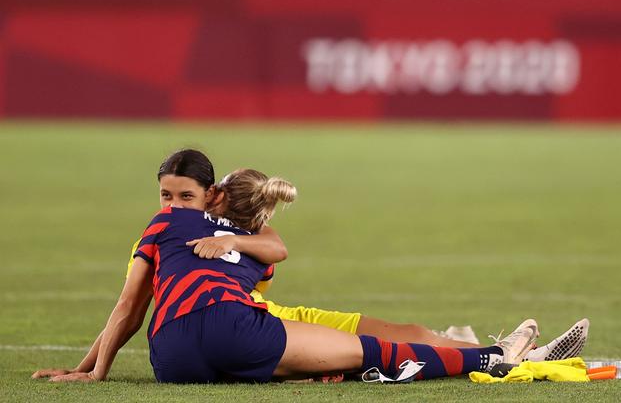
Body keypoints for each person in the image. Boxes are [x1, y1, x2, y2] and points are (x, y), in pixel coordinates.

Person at [32, 150, 587, 380]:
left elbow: (130, 306)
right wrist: (243, 244)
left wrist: (93, 370)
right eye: (166, 196)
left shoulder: (182, 231)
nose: (172, 207)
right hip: (241, 325)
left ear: (212, 194)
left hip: (172, 352)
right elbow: (276, 247)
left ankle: (467, 342)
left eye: (182, 197)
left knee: (371, 346)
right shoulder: (235, 233)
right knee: (376, 348)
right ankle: (494, 355)